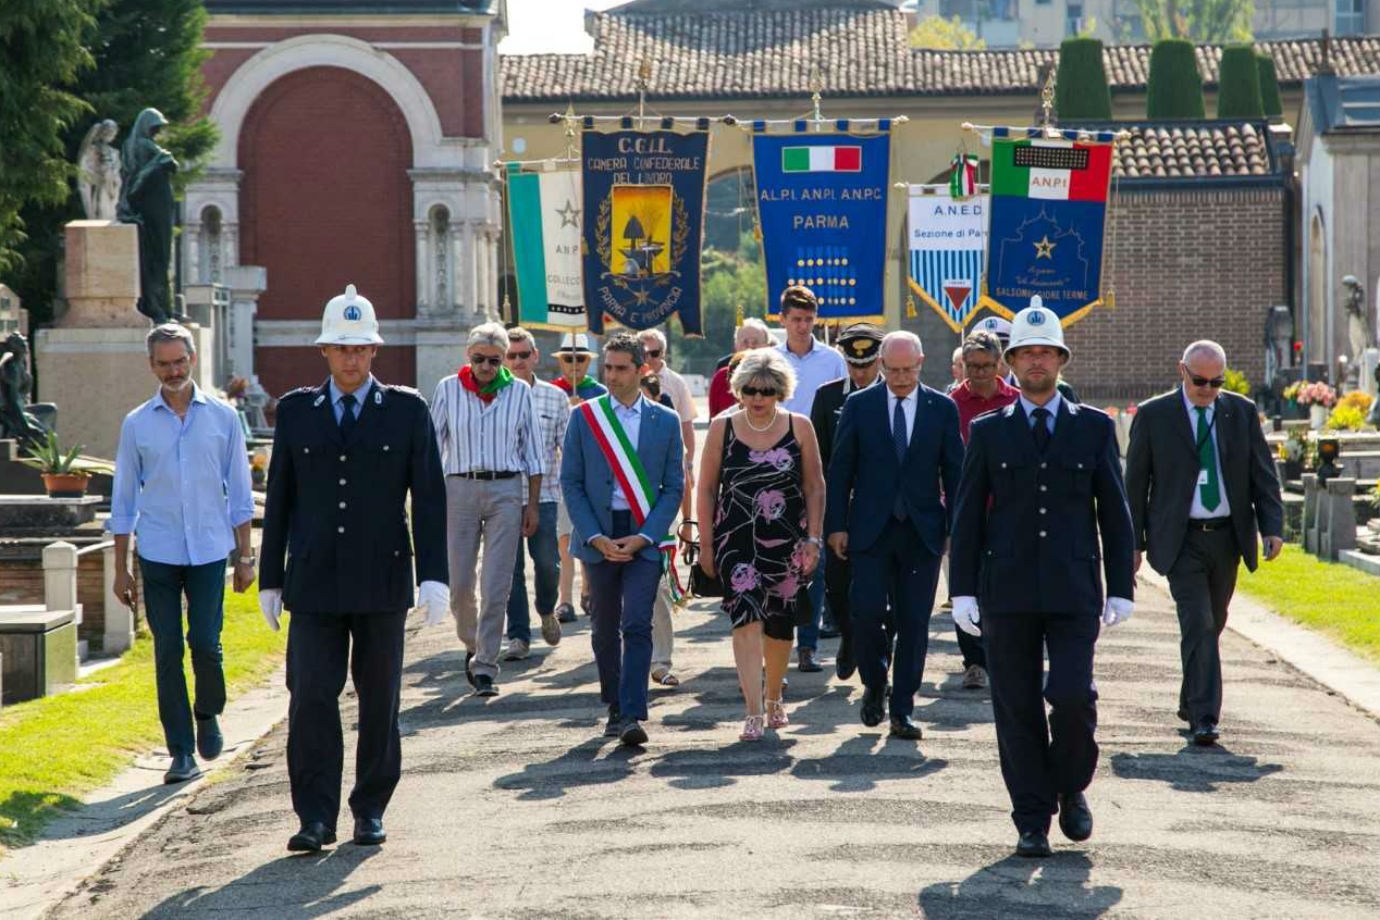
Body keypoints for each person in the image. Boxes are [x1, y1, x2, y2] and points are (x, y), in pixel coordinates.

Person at [258, 284, 449, 852]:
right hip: (313, 582)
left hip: (382, 577)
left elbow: (430, 497)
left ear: (374, 351)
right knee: (311, 697)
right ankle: (314, 817)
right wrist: (271, 576)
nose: (351, 357)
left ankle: (370, 807)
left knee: (379, 698)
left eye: (360, 347)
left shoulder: (407, 411)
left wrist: (434, 575)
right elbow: (281, 500)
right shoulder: (295, 413)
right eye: (341, 348)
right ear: (323, 351)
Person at [949, 302, 1135, 859]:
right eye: (1025, 353)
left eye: (1044, 353)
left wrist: (1121, 586)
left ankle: (1071, 783)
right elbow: (967, 517)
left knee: (1072, 695)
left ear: (1060, 359)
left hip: (1073, 587)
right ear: (1011, 362)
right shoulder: (987, 433)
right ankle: (1031, 817)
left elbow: (1115, 511)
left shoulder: (1094, 427)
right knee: (1016, 704)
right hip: (1005, 589)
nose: (1035, 362)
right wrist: (961, 590)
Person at [108, 323, 255, 785]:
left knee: (205, 646)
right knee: (167, 650)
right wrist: (119, 568)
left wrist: (245, 556)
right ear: (151, 366)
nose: (173, 371)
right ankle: (181, 752)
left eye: (180, 361)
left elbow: (241, 493)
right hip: (158, 550)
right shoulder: (137, 423)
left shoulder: (223, 418)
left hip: (211, 548)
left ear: (192, 360)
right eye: (163, 363)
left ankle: (208, 712)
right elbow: (124, 499)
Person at [1124, 340, 1284, 746]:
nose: (1207, 389)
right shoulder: (1154, 415)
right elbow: (1136, 483)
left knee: (1213, 623)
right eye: (1200, 381)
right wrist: (1133, 542)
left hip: (1227, 536)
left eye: (1216, 382)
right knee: (1198, 621)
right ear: (1182, 371)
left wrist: (1272, 527)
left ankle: (1191, 698)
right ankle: (1205, 717)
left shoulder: (1240, 412)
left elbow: (1262, 474)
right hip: (1181, 539)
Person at [825, 331, 963, 740]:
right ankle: (874, 681)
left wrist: (955, 527)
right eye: (894, 370)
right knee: (865, 612)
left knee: (915, 622)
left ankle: (903, 707)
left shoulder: (942, 408)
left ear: (921, 363)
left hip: (922, 532)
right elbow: (840, 469)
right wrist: (836, 525)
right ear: (881, 365)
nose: (901, 378)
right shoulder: (859, 405)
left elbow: (955, 472)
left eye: (909, 369)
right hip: (869, 529)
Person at [561, 332, 684, 746]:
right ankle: (614, 705)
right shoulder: (585, 417)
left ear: (641, 369)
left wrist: (647, 536)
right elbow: (571, 483)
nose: (610, 376)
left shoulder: (664, 420)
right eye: (607, 368)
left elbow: (673, 486)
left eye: (620, 368)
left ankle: (632, 712)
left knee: (637, 622)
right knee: (603, 628)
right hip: (599, 533)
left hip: (643, 535)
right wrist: (594, 537)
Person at [698, 349, 825, 740]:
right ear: (738, 389)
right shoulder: (723, 427)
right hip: (735, 538)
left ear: (780, 392)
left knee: (780, 626)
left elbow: (815, 486)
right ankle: (752, 710)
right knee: (746, 620)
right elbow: (705, 488)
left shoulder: (799, 426)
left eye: (766, 392)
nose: (757, 398)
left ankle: (774, 698)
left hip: (787, 540)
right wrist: (705, 544)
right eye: (750, 390)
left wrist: (813, 539)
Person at [430, 322, 544, 697]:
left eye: (494, 361)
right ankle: (472, 642)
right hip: (460, 488)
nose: (486, 368)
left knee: (497, 583)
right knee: (460, 584)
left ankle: (485, 667)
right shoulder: (448, 389)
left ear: (504, 360)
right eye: (479, 359)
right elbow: (434, 447)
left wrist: (532, 504)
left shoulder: (519, 393)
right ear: (468, 356)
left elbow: (533, 453)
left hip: (506, 489)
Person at [775, 285, 846, 672]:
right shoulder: (768, 358)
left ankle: (809, 642)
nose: (802, 326)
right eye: (795, 319)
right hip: (775, 465)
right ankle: (780, 638)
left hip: (818, 466)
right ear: (782, 319)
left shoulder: (832, 360)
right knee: (777, 555)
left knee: (812, 556)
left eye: (807, 319)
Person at [946, 329, 1021, 690]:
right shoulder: (950, 404)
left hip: (1010, 508)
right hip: (966, 506)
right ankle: (974, 661)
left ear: (1000, 364)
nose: (979, 374)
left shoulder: (1018, 401)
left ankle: (1004, 655)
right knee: (968, 582)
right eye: (972, 366)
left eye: (987, 366)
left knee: (1005, 585)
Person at [808, 323, 883, 680]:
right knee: (836, 585)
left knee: (879, 590)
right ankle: (850, 638)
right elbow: (817, 458)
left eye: (867, 364)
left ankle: (878, 657)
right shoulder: (828, 397)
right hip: (840, 507)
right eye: (854, 364)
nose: (861, 372)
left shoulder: (896, 394)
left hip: (882, 509)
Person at [502, 327, 569, 660]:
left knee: (546, 563)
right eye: (511, 356)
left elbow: (566, 448)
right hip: (503, 497)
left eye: (523, 355)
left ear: (536, 357)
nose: (517, 361)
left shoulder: (555, 397)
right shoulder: (495, 396)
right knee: (508, 570)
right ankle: (518, 635)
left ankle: (545, 608)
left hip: (545, 496)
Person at [552, 332, 606, 623]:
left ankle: (589, 589)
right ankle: (565, 600)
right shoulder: (553, 392)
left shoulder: (598, 393)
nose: (575, 365)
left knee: (590, 536)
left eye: (580, 359)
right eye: (569, 359)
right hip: (563, 475)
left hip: (593, 477)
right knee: (563, 539)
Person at [639, 372, 681, 688]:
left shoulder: (667, 424)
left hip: (659, 520)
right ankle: (630, 662)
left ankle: (660, 661)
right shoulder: (606, 426)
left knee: (659, 593)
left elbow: (679, 481)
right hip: (618, 524)